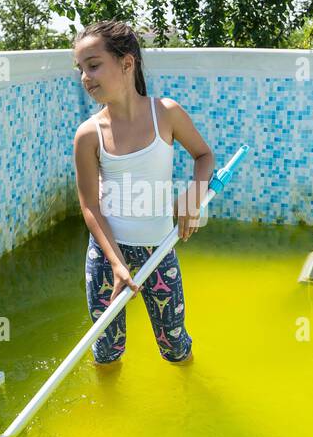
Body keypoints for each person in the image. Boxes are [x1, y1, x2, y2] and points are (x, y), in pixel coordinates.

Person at [71, 20, 215, 366]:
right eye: (81, 69)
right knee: (106, 352)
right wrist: (118, 264)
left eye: (93, 66)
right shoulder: (88, 135)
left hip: (159, 250)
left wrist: (194, 195)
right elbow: (90, 207)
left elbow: (204, 156)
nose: (85, 78)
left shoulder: (166, 113)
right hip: (108, 257)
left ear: (126, 63)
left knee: (175, 346)